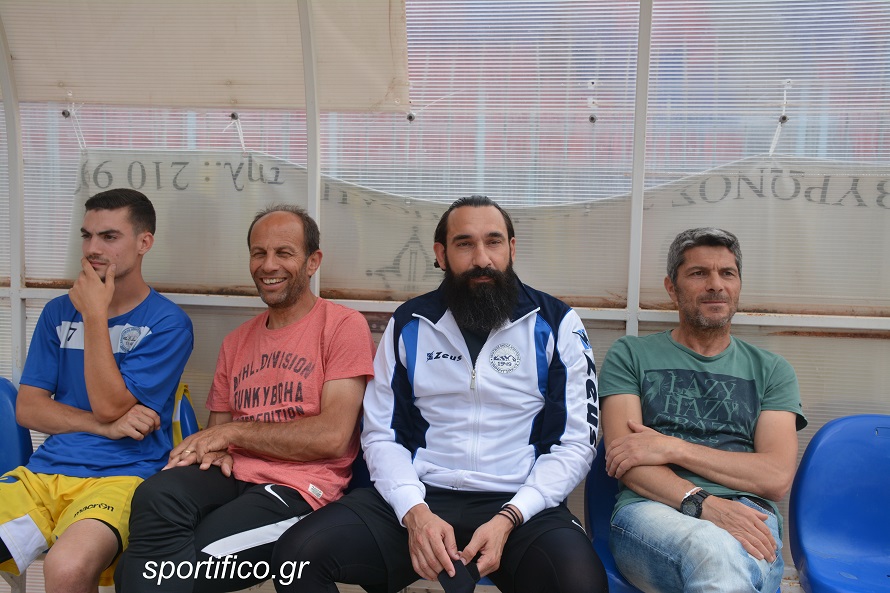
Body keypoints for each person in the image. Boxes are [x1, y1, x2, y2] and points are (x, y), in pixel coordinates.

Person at [271, 195, 607, 593]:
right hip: (420, 494)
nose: (481, 258)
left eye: (494, 242)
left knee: (581, 582)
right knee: (296, 557)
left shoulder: (557, 323)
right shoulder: (409, 322)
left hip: (520, 502)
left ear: (512, 249)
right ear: (441, 254)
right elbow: (381, 435)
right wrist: (414, 512)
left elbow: (576, 443)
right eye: (464, 244)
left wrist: (511, 516)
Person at [113, 204, 375, 593]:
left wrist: (233, 433)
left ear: (312, 262)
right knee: (155, 496)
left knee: (183, 565)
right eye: (258, 253)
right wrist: (213, 446)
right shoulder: (236, 341)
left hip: (298, 487)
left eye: (284, 253)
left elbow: (332, 437)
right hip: (234, 474)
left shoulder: (342, 326)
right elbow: (216, 435)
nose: (268, 265)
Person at [0, 188, 194, 593]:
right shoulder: (57, 312)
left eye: (109, 236)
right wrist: (102, 427)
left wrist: (93, 314)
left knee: (67, 567)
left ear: (144, 242)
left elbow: (110, 405)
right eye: (86, 236)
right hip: (44, 473)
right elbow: (29, 409)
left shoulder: (168, 323)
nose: (92, 248)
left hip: (122, 476)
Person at [598, 227, 807, 593]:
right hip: (651, 510)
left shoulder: (772, 370)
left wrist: (672, 447)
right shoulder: (630, 356)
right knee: (713, 550)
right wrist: (703, 504)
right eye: (698, 273)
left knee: (723, 564)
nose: (716, 285)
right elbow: (628, 461)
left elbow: (775, 477)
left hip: (749, 513)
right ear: (672, 288)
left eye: (727, 273)